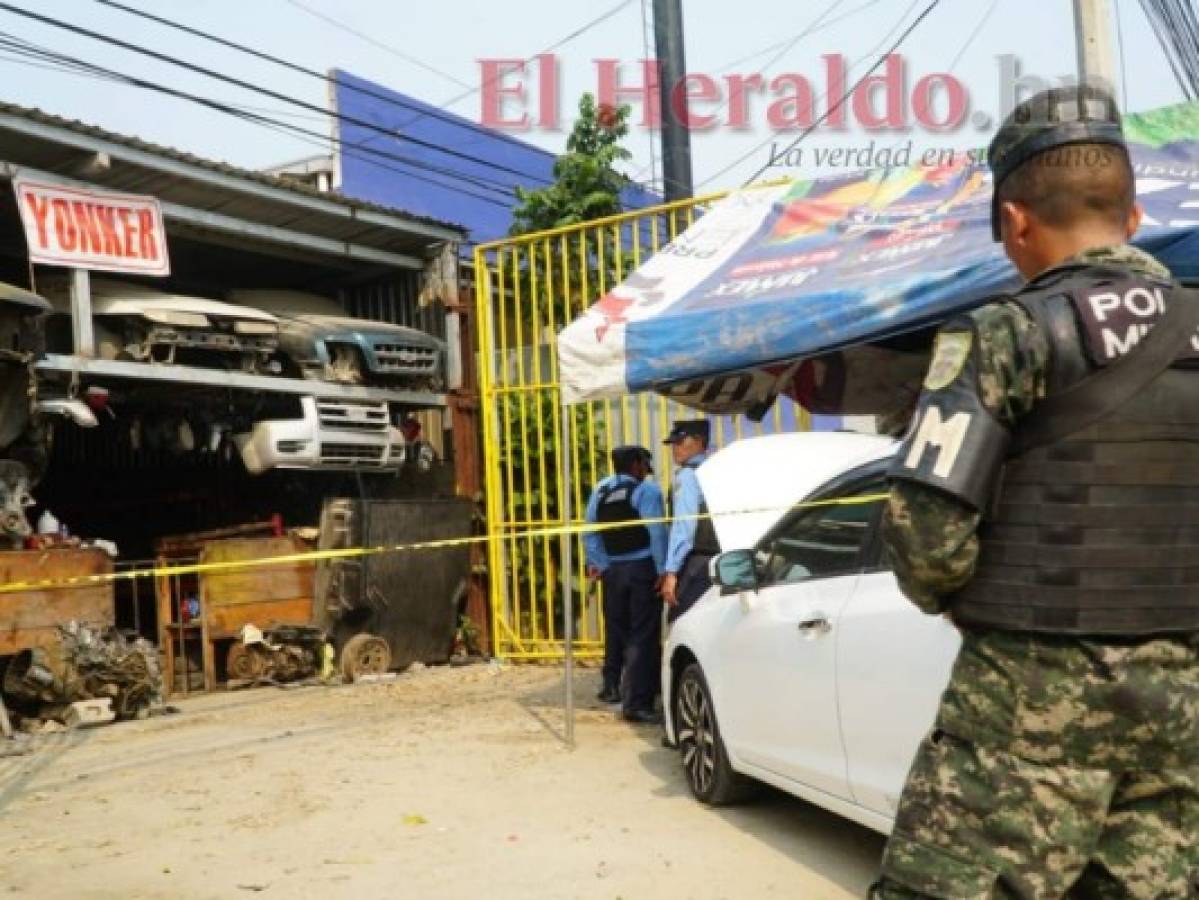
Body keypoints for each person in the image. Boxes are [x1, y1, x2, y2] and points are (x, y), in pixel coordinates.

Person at [873, 84, 1199, 898]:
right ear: (1129, 216)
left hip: (1025, 706)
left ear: (1016, 222)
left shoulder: (1005, 333)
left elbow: (925, 541)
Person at [583, 445, 667, 724]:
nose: (645, 470)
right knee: (643, 636)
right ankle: (637, 703)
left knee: (617, 631)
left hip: (614, 572)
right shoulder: (648, 492)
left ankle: (612, 687)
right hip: (643, 570)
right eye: (644, 464)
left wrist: (605, 567)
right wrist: (663, 571)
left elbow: (590, 533)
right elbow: (656, 534)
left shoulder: (601, 490)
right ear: (635, 466)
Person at [661, 420, 719, 623]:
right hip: (720, 561)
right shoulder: (715, 470)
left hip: (695, 564)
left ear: (698, 442)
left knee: (681, 624)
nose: (674, 448)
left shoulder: (687, 476)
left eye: (679, 442)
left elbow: (684, 527)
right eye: (673, 444)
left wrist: (671, 572)